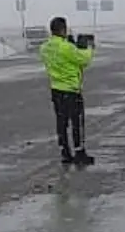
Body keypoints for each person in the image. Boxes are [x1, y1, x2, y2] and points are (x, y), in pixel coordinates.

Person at [39, 16, 95, 165]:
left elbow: (59, 57)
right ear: (63, 30)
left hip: (56, 89)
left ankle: (65, 152)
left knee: (61, 122)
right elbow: (84, 60)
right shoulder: (66, 48)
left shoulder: (44, 48)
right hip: (71, 89)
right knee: (77, 122)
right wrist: (88, 47)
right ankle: (79, 152)